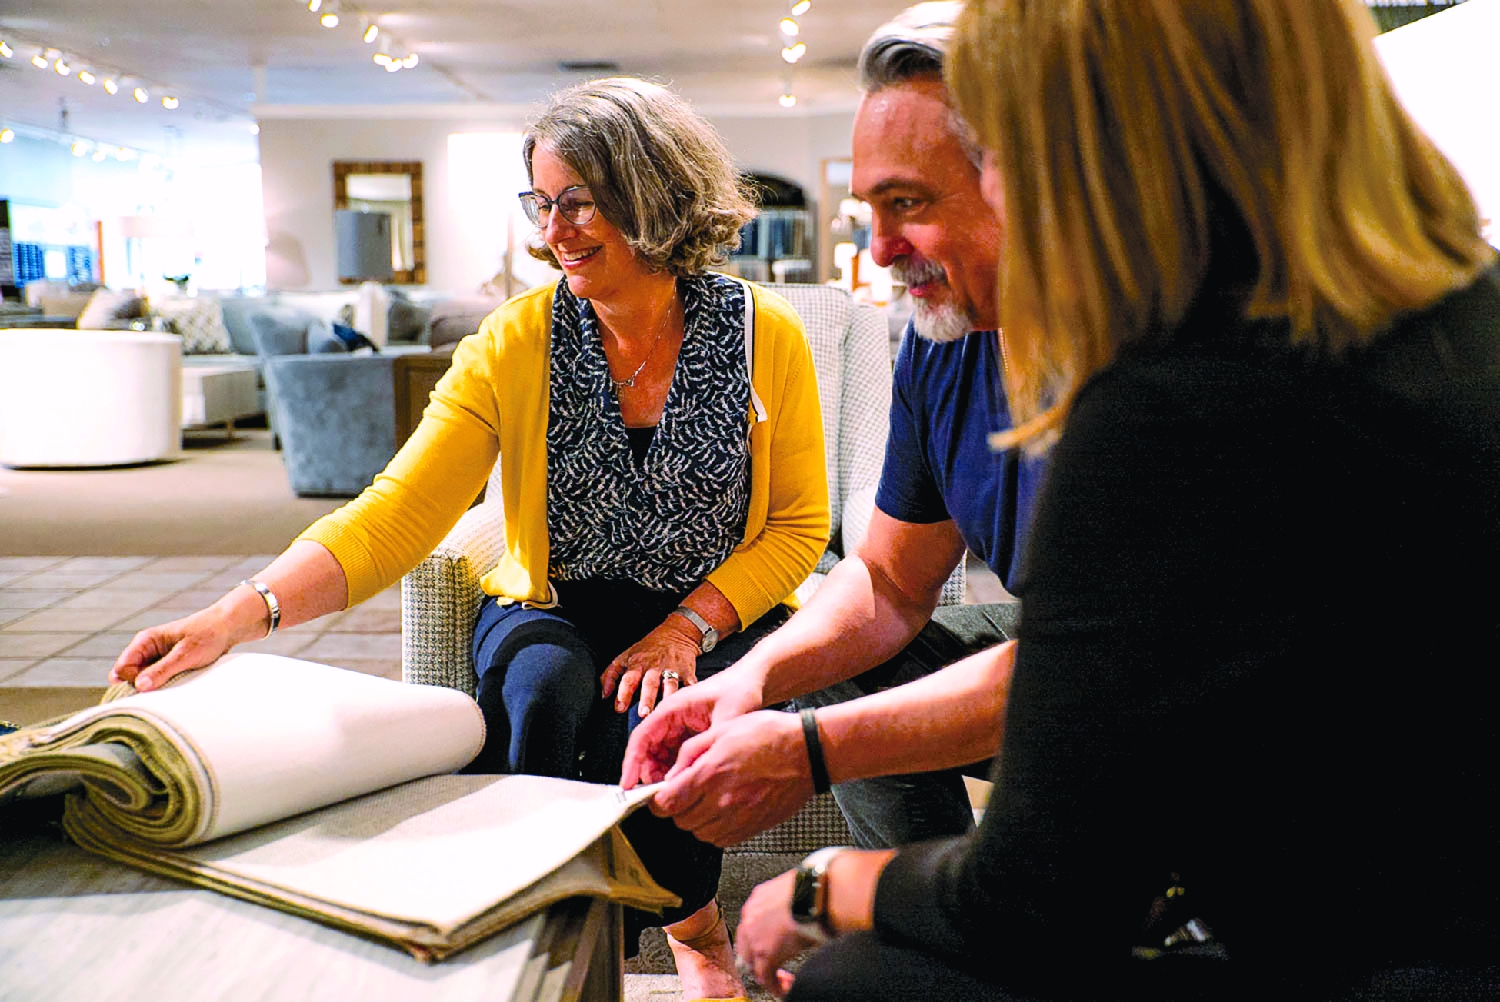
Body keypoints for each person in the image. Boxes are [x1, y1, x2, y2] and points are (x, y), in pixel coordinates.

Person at [733, 0, 1500, 998]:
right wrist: (757, 684)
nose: (1001, 183)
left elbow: (1040, 896)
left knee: (856, 977)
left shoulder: (1176, 398)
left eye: (1007, 149)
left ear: (1101, 143)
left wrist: (826, 881)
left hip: (1369, 960)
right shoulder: (1458, 309)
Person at [110, 77, 830, 1002]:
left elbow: (799, 526)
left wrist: (687, 626)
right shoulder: (514, 341)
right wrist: (236, 614)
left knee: (658, 723)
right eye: (542, 202)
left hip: (711, 605)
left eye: (578, 203)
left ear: (651, 196)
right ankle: (548, 935)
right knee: (543, 687)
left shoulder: (763, 335)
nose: (551, 232)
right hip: (557, 599)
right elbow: (398, 510)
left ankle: (687, 918)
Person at [622, 1, 1043, 851]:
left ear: (1030, 183)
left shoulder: (1164, 358)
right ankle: (941, 933)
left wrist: (810, 753)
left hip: (1247, 720)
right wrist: (749, 682)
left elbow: (1109, 668)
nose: (881, 249)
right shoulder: (946, 338)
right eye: (869, 210)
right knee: (822, 662)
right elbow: (888, 578)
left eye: (909, 202)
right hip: (1084, 655)